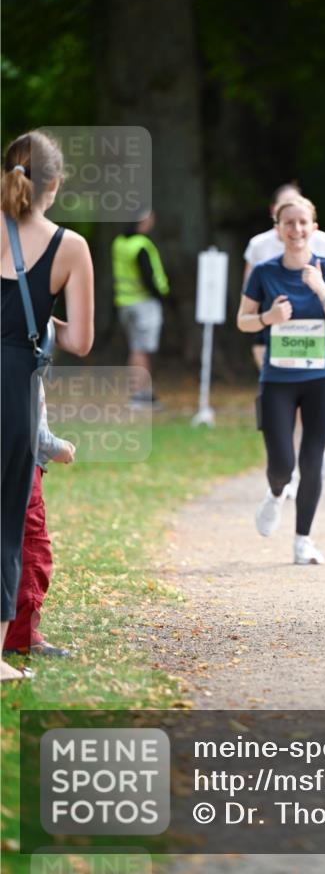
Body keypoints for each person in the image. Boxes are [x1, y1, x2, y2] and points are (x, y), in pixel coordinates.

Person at [1, 130, 94, 682]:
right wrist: (38, 322)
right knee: (8, 522)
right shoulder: (70, 247)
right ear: (54, 185)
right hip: (12, 384)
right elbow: (80, 340)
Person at [237, 195, 325, 565]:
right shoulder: (264, 272)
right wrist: (269, 317)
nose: (297, 229)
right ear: (278, 229)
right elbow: (242, 321)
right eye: (289, 223)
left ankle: (303, 540)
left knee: (312, 460)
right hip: (278, 380)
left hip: (321, 377)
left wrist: (320, 288)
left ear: (314, 228)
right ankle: (275, 494)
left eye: (303, 222)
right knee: (282, 464)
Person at [5, 383, 76, 658]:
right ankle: (21, 636)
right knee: (31, 546)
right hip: (20, 463)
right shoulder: (24, 348)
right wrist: (59, 448)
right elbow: (30, 424)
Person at [243, 183, 325, 371]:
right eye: (285, 203)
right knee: (274, 383)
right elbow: (248, 288)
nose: (291, 208)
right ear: (274, 210)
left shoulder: (322, 240)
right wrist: (265, 316)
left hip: (312, 324)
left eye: (295, 202)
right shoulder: (259, 244)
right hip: (272, 321)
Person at [111, 210, 169, 409]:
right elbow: (148, 277)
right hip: (143, 303)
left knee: (136, 348)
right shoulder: (141, 245)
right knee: (141, 349)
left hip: (124, 302)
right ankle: (140, 394)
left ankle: (142, 392)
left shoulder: (119, 242)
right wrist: (159, 296)